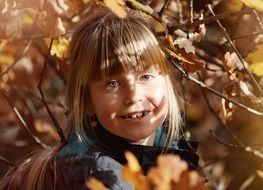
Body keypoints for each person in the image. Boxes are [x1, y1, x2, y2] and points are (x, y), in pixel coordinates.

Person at [0, 7, 199, 190]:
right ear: (87, 101)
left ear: (167, 81)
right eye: (112, 83)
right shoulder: (101, 178)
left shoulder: (170, 159)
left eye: (145, 77)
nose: (133, 96)